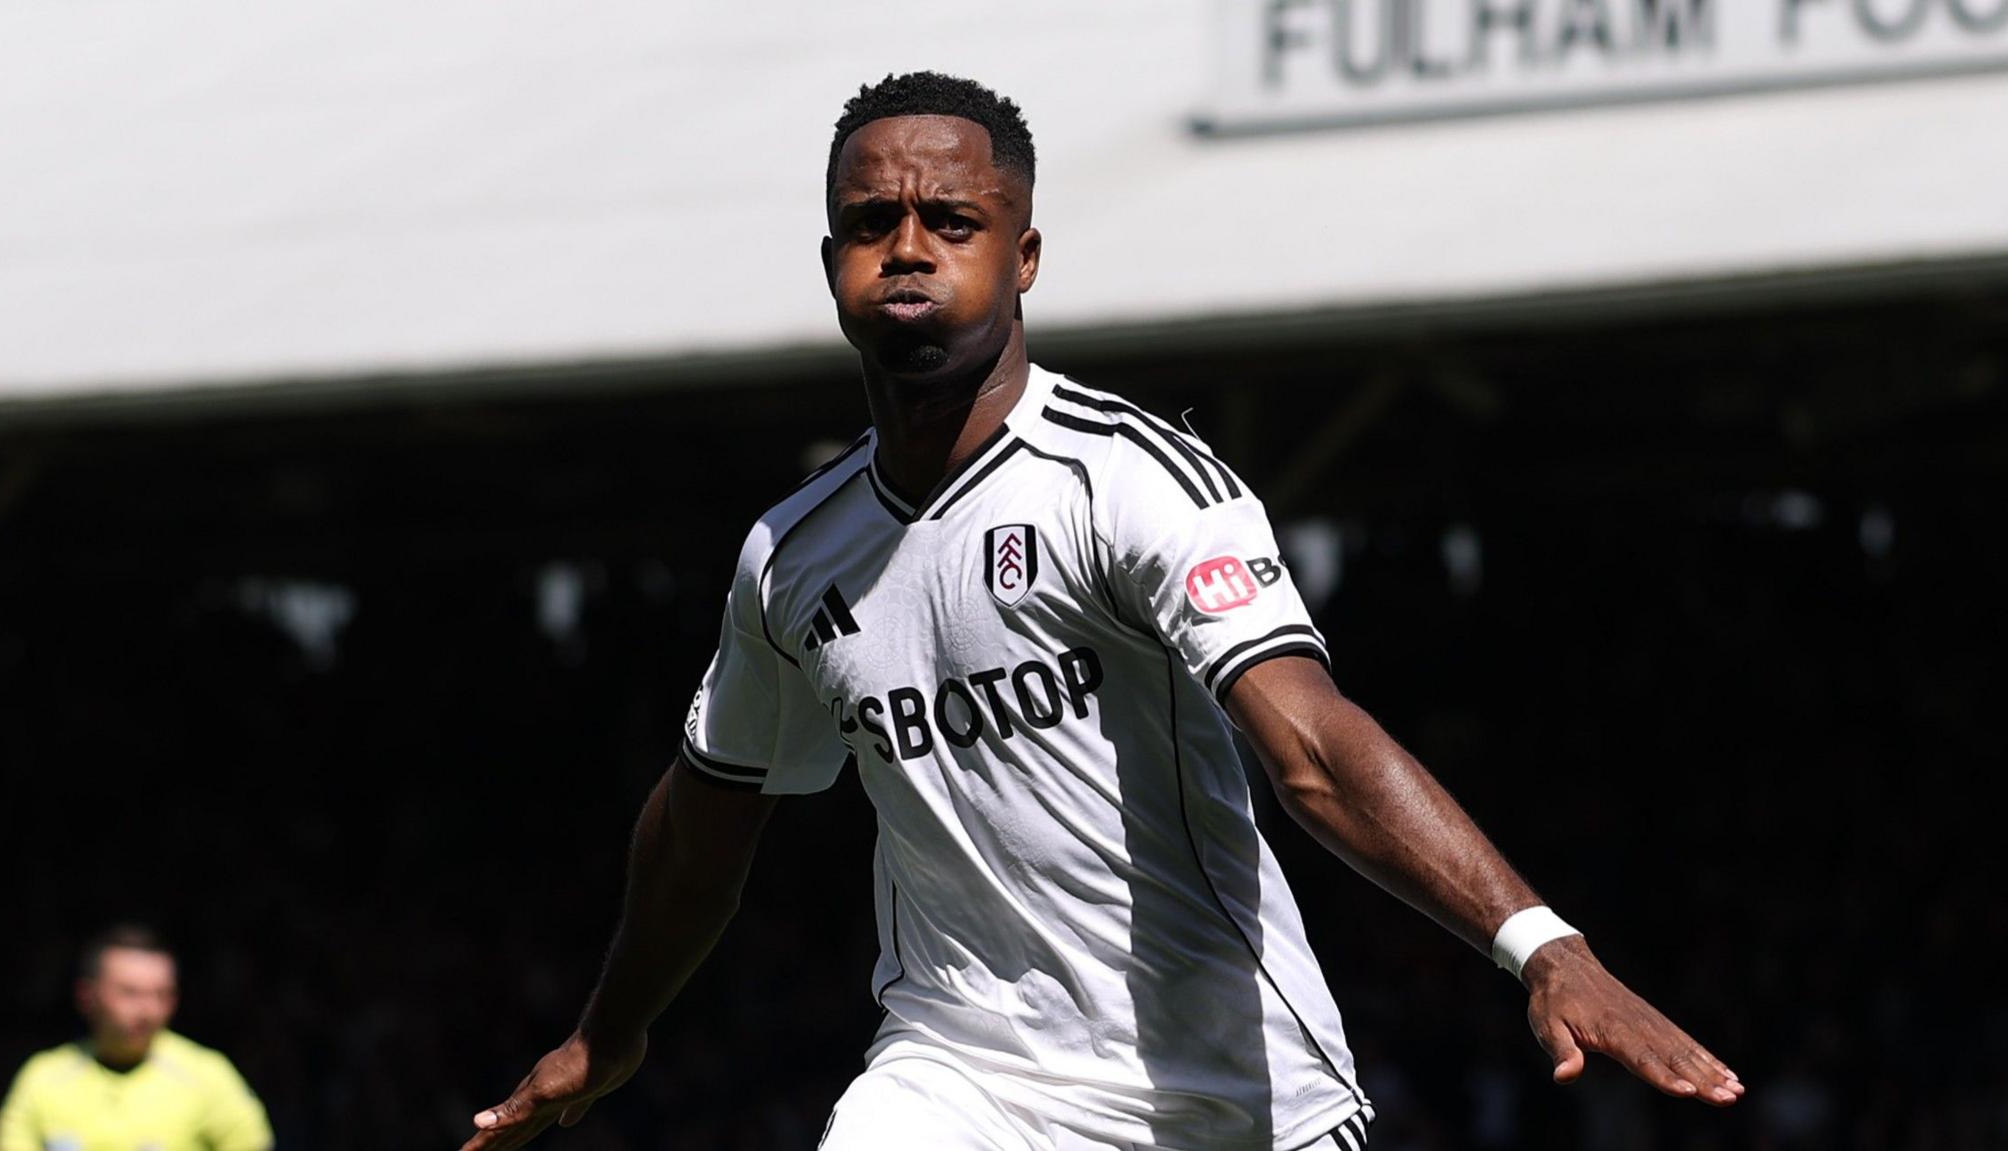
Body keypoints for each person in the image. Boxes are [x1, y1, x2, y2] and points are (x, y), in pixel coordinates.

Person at [462, 72, 1744, 1150]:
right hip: (960, 1075)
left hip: (1233, 1098)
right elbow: (704, 821)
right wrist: (608, 1027)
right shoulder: (789, 556)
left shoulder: (1126, 483)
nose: (908, 244)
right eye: (872, 221)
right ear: (832, 263)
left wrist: (1541, 946)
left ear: (1021, 256)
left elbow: (1308, 746)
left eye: (951, 220)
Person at [0, 924, 274, 1151]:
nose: (148, 1010)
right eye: (130, 992)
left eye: (161, 994)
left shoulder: (209, 1075)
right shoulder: (43, 1077)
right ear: (87, 996)